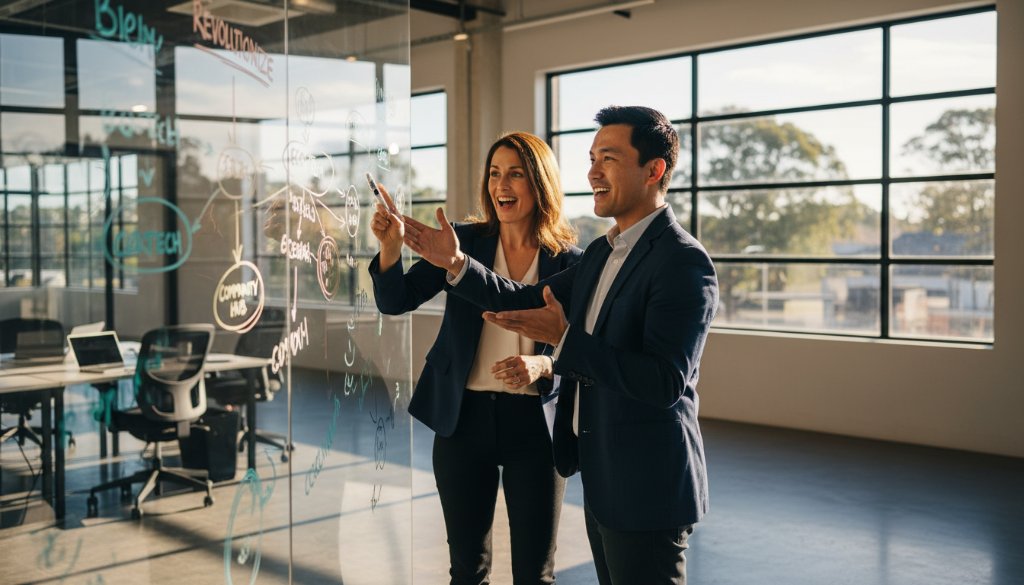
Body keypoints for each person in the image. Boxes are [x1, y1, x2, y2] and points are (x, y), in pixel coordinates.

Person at [402, 106, 719, 585]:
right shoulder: (604, 253)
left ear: (654, 170)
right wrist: (457, 263)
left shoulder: (682, 262)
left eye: (608, 158)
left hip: (647, 485)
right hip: (605, 476)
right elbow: (524, 298)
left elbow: (664, 381)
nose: (592, 171)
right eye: (592, 157)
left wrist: (561, 343)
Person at [368, 131, 582, 585]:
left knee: (535, 574)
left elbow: (577, 343)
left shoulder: (570, 262)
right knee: (467, 571)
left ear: (541, 183)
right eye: (494, 174)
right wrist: (391, 250)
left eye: (516, 174)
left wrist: (543, 365)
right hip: (463, 419)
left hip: (535, 426)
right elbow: (396, 301)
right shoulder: (461, 241)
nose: (501, 185)